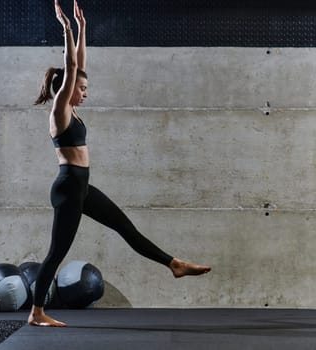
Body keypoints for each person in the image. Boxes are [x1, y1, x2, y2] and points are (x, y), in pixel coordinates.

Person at [29, 0, 211, 327]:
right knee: (56, 253)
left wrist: (84, 29)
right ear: (66, 91)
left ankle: (174, 264)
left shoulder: (72, 109)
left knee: (125, 229)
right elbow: (71, 68)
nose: (85, 93)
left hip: (81, 186)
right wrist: (67, 29)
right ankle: (37, 312)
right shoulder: (59, 112)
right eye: (81, 90)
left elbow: (78, 66)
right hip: (69, 188)